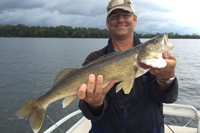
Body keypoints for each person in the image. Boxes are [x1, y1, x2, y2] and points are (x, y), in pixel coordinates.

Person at [78, 0, 178, 132]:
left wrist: (167, 78)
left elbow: (168, 98)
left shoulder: (153, 62)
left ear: (134, 20)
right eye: (114, 16)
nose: (120, 19)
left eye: (126, 15)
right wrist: (94, 104)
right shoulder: (93, 60)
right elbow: (87, 111)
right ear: (108, 23)